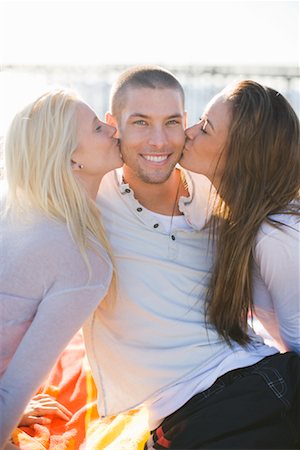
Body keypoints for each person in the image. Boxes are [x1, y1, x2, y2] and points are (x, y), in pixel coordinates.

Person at [83, 65, 299, 449]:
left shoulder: (247, 210)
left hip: (246, 391)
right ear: (113, 124)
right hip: (230, 399)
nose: (163, 140)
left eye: (173, 122)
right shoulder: (92, 199)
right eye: (140, 122)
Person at [0, 89, 123, 449]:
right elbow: (14, 388)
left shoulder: (15, 210)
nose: (114, 130)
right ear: (72, 159)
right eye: (99, 128)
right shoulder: (81, 258)